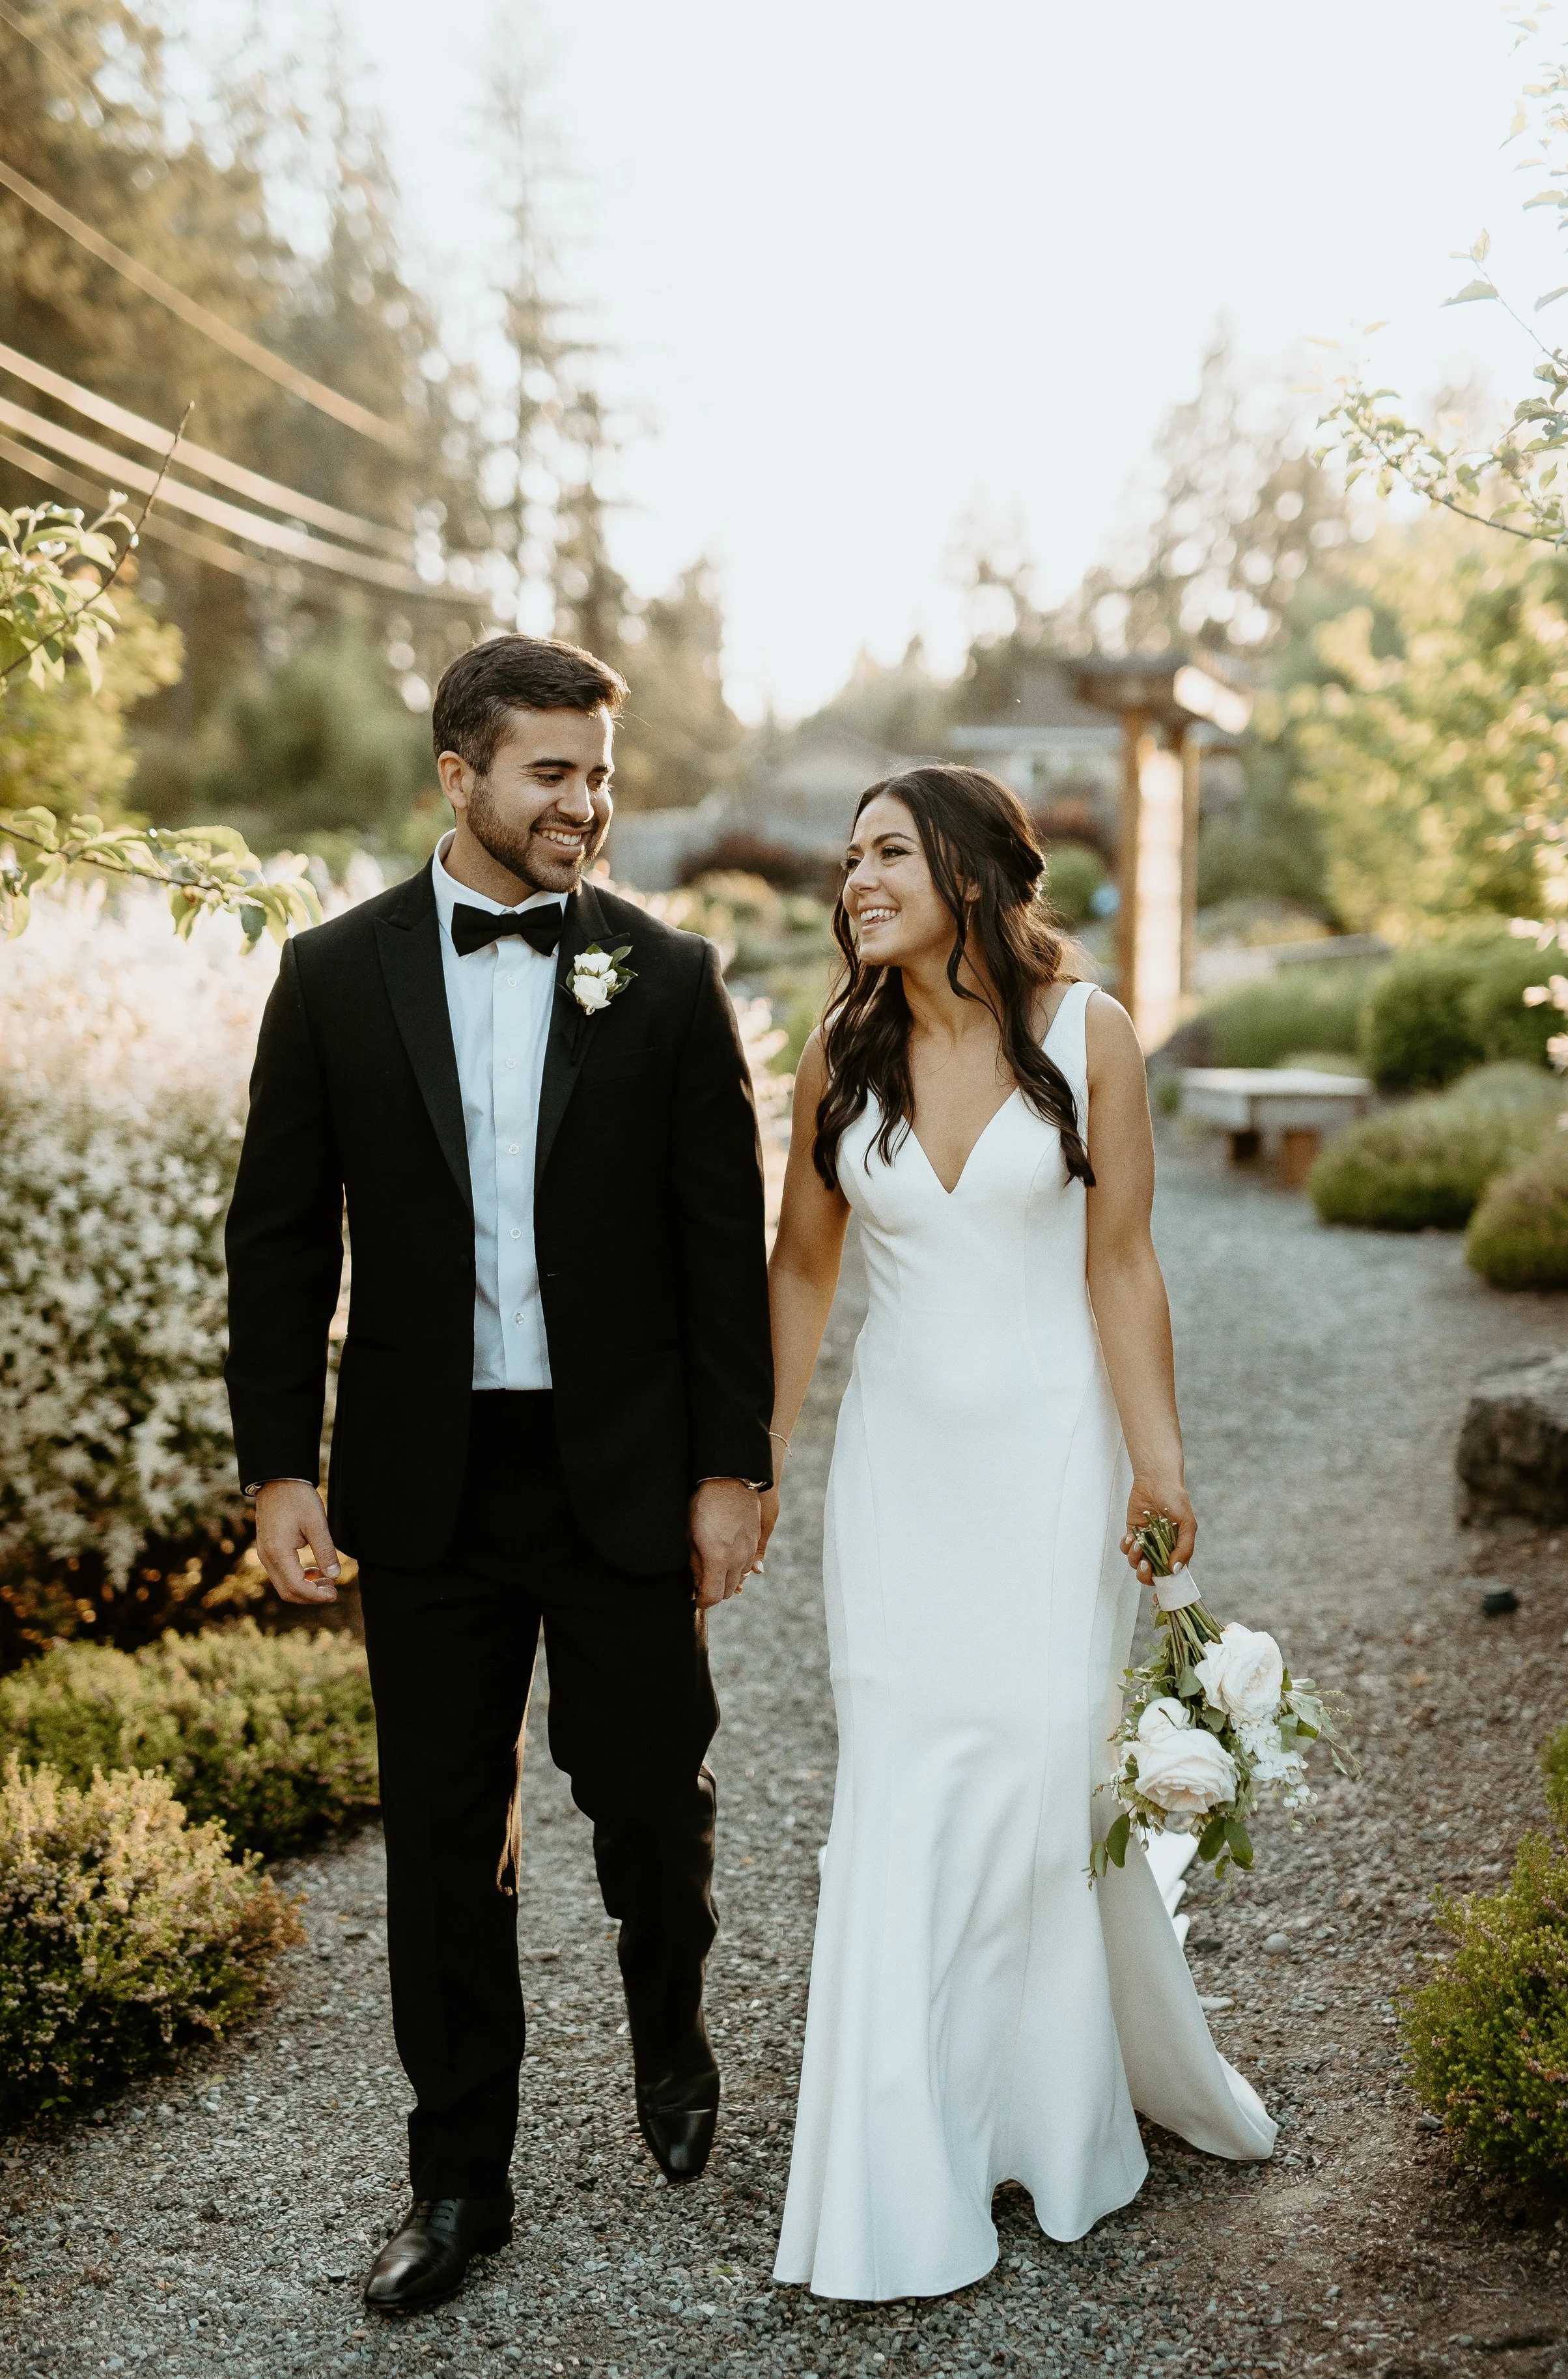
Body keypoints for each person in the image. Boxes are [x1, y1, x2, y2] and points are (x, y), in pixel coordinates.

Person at [223, 634, 774, 2316]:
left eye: (598, 774)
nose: (583, 804)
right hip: (425, 1480)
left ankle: (668, 2023)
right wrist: (275, 1469)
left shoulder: (662, 974)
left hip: (618, 1472)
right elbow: (277, 1239)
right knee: (443, 1838)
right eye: (551, 772)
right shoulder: (333, 974)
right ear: (456, 776)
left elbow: (718, 1249)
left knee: (648, 1797)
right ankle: (458, 2175)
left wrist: (731, 1467)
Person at [762, 766, 1274, 2303]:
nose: (855, 879)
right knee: (907, 1782)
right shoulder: (837, 1048)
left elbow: (1121, 1261)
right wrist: (753, 1462)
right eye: (848, 856)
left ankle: (1046, 2123)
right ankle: (902, 2145)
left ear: (971, 874)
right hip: (897, 1474)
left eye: (888, 851)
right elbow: (800, 1268)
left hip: (1051, 1458)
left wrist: (1157, 1465)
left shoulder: (1086, 1031)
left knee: (1044, 1769)